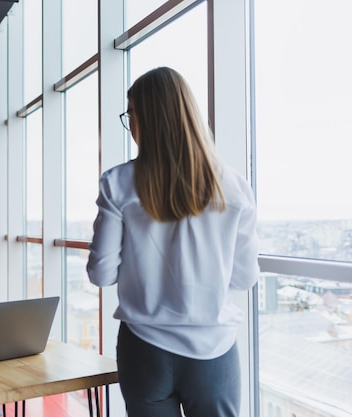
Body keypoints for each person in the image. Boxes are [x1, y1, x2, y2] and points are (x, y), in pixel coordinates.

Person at [87, 67, 260, 417]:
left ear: (149, 117)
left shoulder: (118, 183)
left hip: (145, 346)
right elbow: (244, 279)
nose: (130, 123)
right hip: (214, 347)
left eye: (131, 113)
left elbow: (101, 274)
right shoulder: (235, 186)